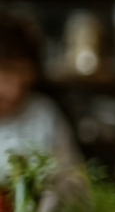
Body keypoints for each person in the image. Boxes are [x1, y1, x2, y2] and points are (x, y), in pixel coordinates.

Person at [0, 12, 81, 174]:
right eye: (8, 73)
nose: (15, 91)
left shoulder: (44, 114)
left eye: (24, 82)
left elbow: (72, 179)